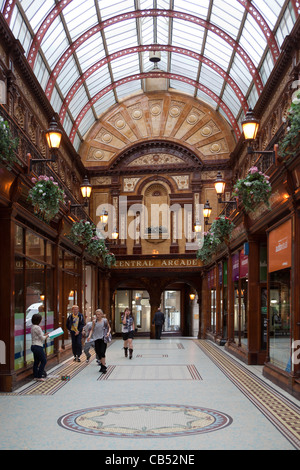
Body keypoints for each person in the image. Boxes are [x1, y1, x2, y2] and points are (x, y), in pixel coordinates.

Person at [88, 309, 111, 373]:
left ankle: (103, 368)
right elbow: (92, 330)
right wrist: (89, 336)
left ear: (102, 315)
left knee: (102, 352)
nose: (97, 316)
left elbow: (109, 328)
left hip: (103, 338)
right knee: (98, 353)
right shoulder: (94, 321)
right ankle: (102, 366)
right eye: (96, 314)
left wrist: (108, 333)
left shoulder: (105, 321)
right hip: (96, 339)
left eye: (99, 314)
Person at [31, 313, 49, 382]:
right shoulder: (37, 327)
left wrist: (45, 334)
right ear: (38, 320)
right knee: (44, 361)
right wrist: (48, 336)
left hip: (33, 346)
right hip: (38, 346)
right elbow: (42, 338)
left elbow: (38, 336)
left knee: (36, 361)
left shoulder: (33, 327)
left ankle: (35, 376)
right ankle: (39, 376)